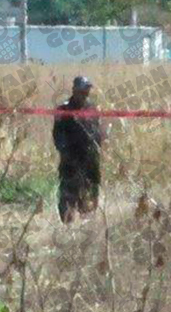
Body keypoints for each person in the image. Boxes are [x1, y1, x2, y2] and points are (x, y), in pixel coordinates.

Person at [52, 76, 105, 223]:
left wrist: (98, 146)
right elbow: (58, 135)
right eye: (83, 91)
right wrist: (66, 152)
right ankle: (67, 221)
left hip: (90, 158)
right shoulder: (63, 109)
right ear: (74, 90)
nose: (85, 94)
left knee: (91, 189)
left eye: (87, 91)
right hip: (71, 158)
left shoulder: (93, 108)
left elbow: (98, 132)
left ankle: (87, 220)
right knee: (68, 191)